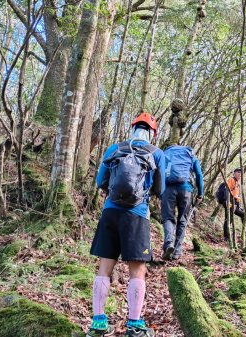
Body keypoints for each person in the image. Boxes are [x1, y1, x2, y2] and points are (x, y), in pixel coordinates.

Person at [87, 112, 165, 337]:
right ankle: (134, 325)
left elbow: (100, 181)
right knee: (137, 270)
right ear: (153, 133)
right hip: (137, 215)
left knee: (105, 267)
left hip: (110, 212)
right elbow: (160, 190)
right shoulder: (156, 153)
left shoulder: (114, 149)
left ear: (132, 128)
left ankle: (98, 323)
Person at [161, 144, 204, 260]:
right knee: (182, 220)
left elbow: (159, 173)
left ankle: (168, 244)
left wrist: (158, 191)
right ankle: (177, 251)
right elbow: (199, 175)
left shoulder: (166, 154)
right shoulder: (190, 155)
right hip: (186, 189)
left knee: (168, 218)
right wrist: (200, 193)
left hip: (168, 189)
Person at [223, 168, 243, 241]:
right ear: (234, 173)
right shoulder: (232, 180)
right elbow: (226, 190)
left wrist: (238, 204)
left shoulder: (237, 182)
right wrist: (227, 201)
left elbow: (235, 194)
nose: (239, 174)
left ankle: (244, 233)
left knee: (243, 214)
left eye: (240, 173)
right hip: (230, 202)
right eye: (238, 172)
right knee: (228, 219)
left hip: (235, 204)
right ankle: (226, 237)